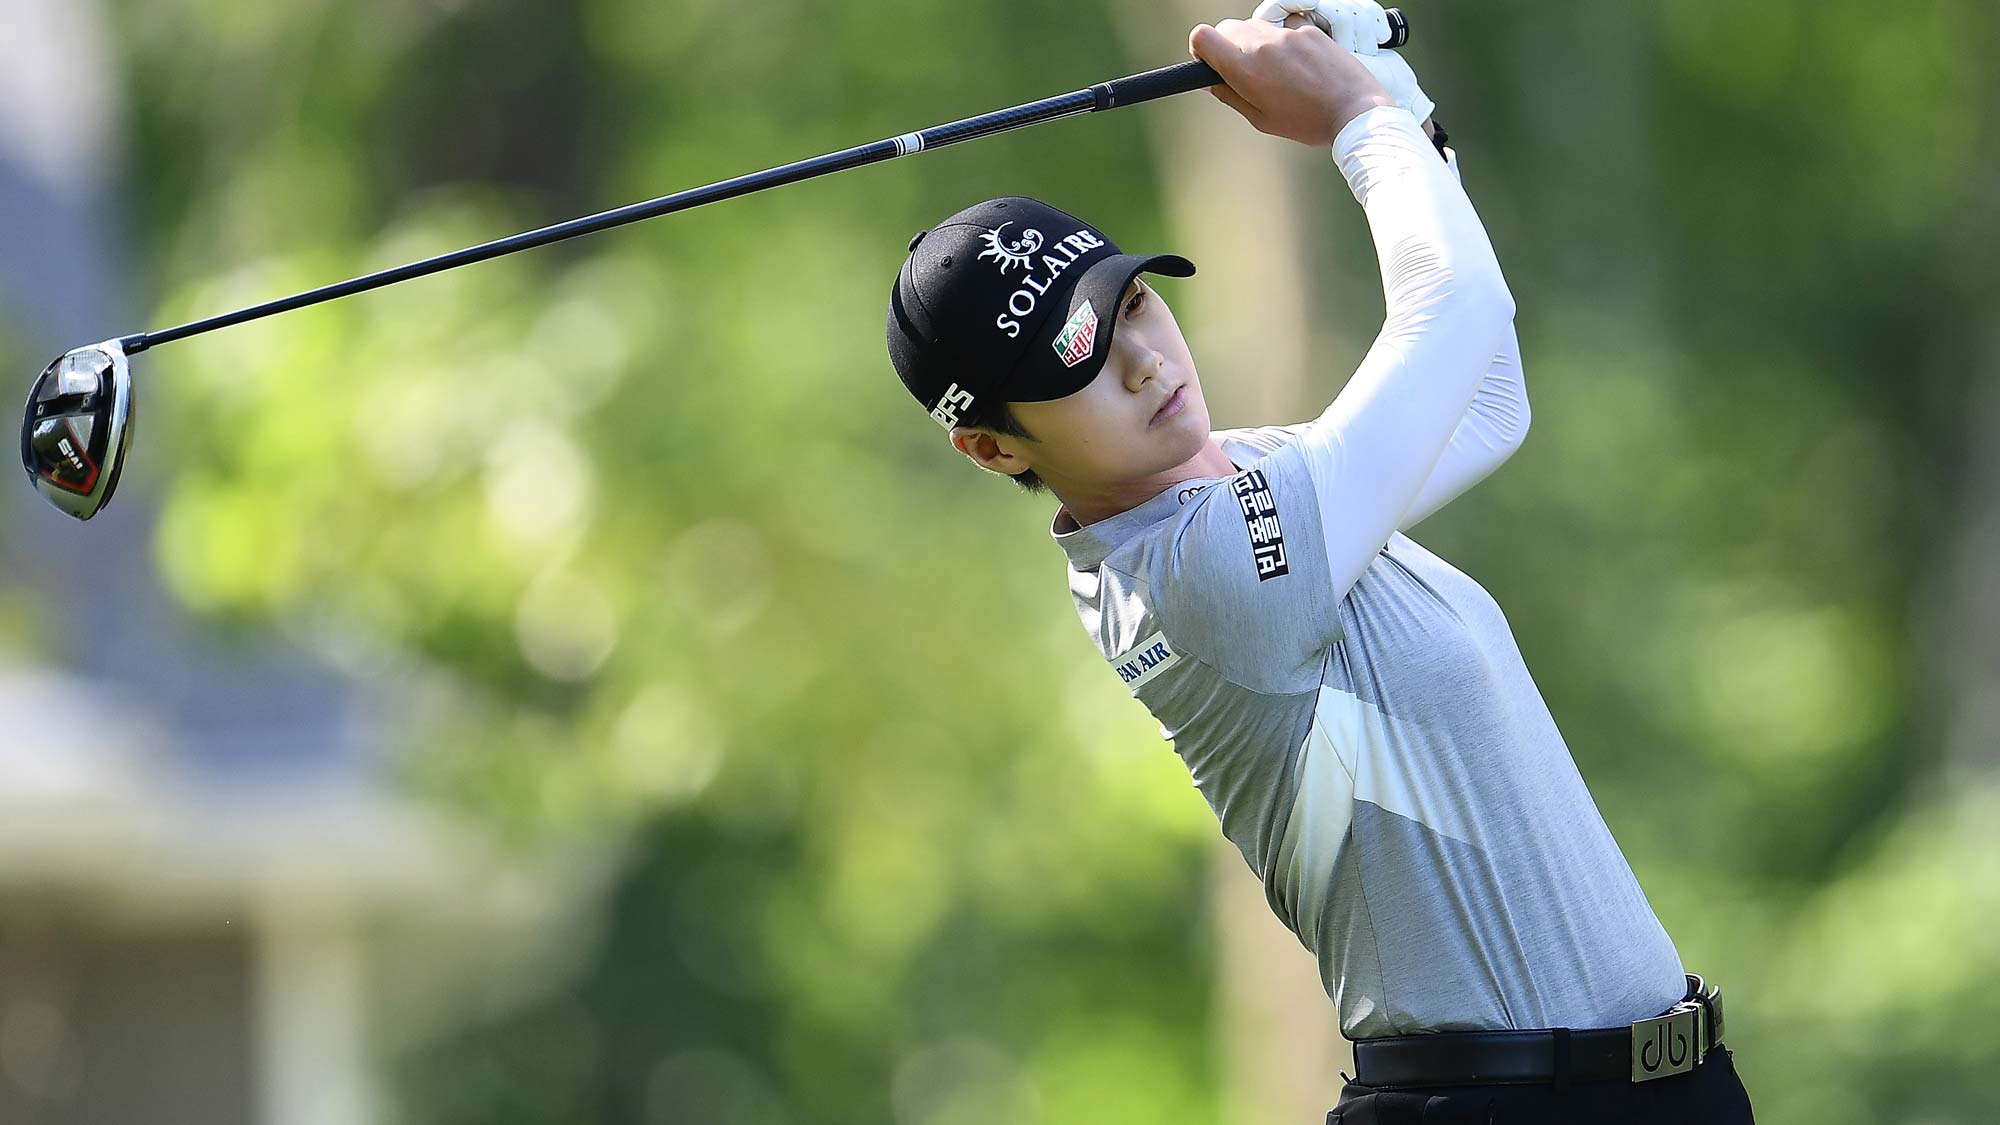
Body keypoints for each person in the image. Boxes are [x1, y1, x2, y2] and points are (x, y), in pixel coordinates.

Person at [884, 5, 1754, 1122]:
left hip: (1652, 1093)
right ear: (994, 446)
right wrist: (1352, 112)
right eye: (1080, 363)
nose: (1144, 363)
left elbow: (1484, 392)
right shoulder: (1201, 577)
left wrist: (1389, 92)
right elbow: (1458, 313)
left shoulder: (1248, 483)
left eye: (1134, 305)